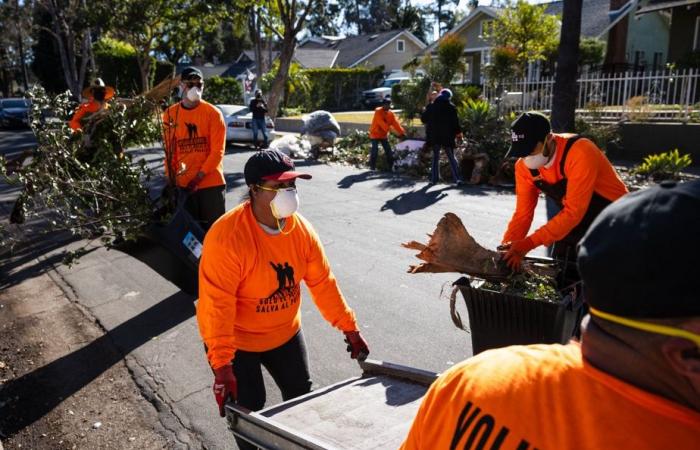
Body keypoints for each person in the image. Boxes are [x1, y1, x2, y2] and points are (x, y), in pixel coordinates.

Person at [400, 180, 700, 450]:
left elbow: (572, 211)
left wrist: (523, 245)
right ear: (688, 355)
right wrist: (512, 246)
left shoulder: (467, 383)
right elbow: (524, 210)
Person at [196, 150, 370, 450]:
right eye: (278, 187)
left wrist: (350, 328)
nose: (288, 194)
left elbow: (323, 283)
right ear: (253, 190)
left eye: (291, 186)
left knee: (301, 398)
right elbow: (216, 305)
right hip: (239, 342)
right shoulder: (228, 237)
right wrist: (223, 366)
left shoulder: (300, 230)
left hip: (284, 332)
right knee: (251, 413)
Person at [500, 112, 628, 277]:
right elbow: (522, 215)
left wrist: (528, 244)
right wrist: (508, 248)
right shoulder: (523, 167)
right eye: (522, 152)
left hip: (614, 220)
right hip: (573, 220)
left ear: (549, 139)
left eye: (531, 149)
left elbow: (574, 212)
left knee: (604, 280)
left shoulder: (580, 152)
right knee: (564, 275)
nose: (527, 157)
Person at [162, 66, 226, 231]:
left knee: (215, 232)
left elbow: (217, 152)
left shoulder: (213, 113)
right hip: (184, 187)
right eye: (191, 84)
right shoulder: (170, 114)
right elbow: (170, 151)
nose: (196, 88)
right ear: (182, 86)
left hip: (210, 185)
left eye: (199, 84)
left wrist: (198, 177)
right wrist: (171, 179)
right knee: (190, 236)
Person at [423, 88, 464, 186]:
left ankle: (434, 179)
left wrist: (428, 106)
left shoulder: (432, 106)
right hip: (447, 136)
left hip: (434, 136)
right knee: (451, 157)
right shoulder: (451, 107)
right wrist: (459, 135)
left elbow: (423, 119)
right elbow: (456, 123)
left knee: (435, 157)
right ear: (449, 97)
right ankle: (457, 179)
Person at [368, 97, 405, 171]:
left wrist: (402, 133)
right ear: (383, 105)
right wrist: (394, 133)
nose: (388, 106)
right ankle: (372, 167)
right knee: (375, 151)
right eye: (387, 105)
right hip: (375, 134)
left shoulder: (390, 114)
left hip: (383, 135)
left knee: (388, 150)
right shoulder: (378, 111)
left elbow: (396, 124)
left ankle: (390, 167)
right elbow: (382, 124)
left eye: (389, 105)